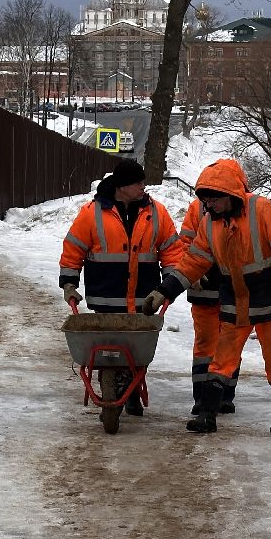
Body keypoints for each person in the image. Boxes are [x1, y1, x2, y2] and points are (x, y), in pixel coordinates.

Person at [142, 158, 271, 434]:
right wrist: (163, 291)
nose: (208, 206)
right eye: (205, 200)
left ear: (229, 195)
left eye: (213, 200)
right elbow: (193, 262)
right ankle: (208, 414)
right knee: (221, 359)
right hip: (236, 302)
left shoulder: (263, 211)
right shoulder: (210, 224)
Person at [59, 158, 184, 416]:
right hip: (105, 301)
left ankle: (132, 389)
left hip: (144, 300)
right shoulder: (92, 213)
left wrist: (169, 286)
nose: (143, 186)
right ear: (122, 185)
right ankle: (120, 388)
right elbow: (73, 249)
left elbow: (172, 251)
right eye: (138, 182)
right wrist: (69, 284)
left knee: (134, 352)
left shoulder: (156, 213)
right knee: (112, 351)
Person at [179, 159, 246, 416]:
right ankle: (207, 397)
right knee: (214, 344)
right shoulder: (200, 208)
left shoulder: (243, 209)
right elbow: (186, 243)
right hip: (208, 288)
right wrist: (189, 273)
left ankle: (221, 395)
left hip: (231, 288)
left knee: (222, 343)